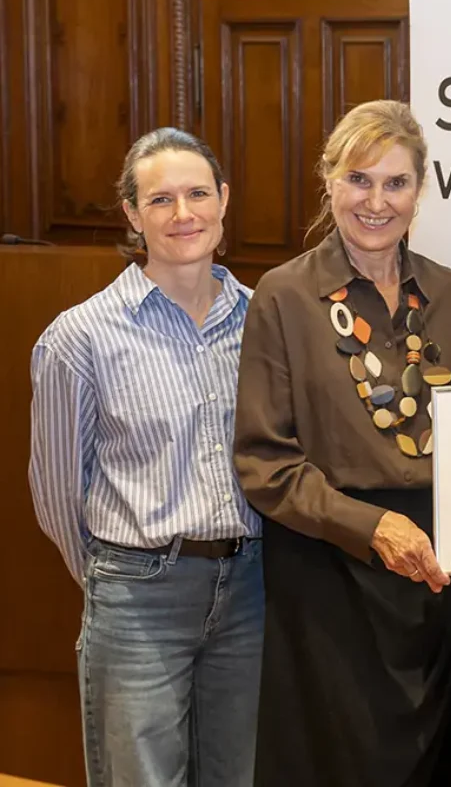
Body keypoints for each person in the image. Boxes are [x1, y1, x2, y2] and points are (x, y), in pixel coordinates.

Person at [233, 100, 451, 786]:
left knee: (425, 764)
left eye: (396, 183)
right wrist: (371, 527)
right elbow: (264, 462)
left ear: (420, 190)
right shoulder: (283, 296)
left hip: (433, 569)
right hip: (326, 566)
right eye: (359, 180)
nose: (377, 202)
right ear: (329, 181)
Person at [29, 128, 262, 787]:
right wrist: (119, 579)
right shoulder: (79, 337)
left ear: (224, 200)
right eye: (161, 200)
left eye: (197, 194)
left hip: (252, 591)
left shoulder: (265, 320)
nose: (183, 213)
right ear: (133, 215)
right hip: (138, 598)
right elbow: (56, 493)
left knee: (242, 774)